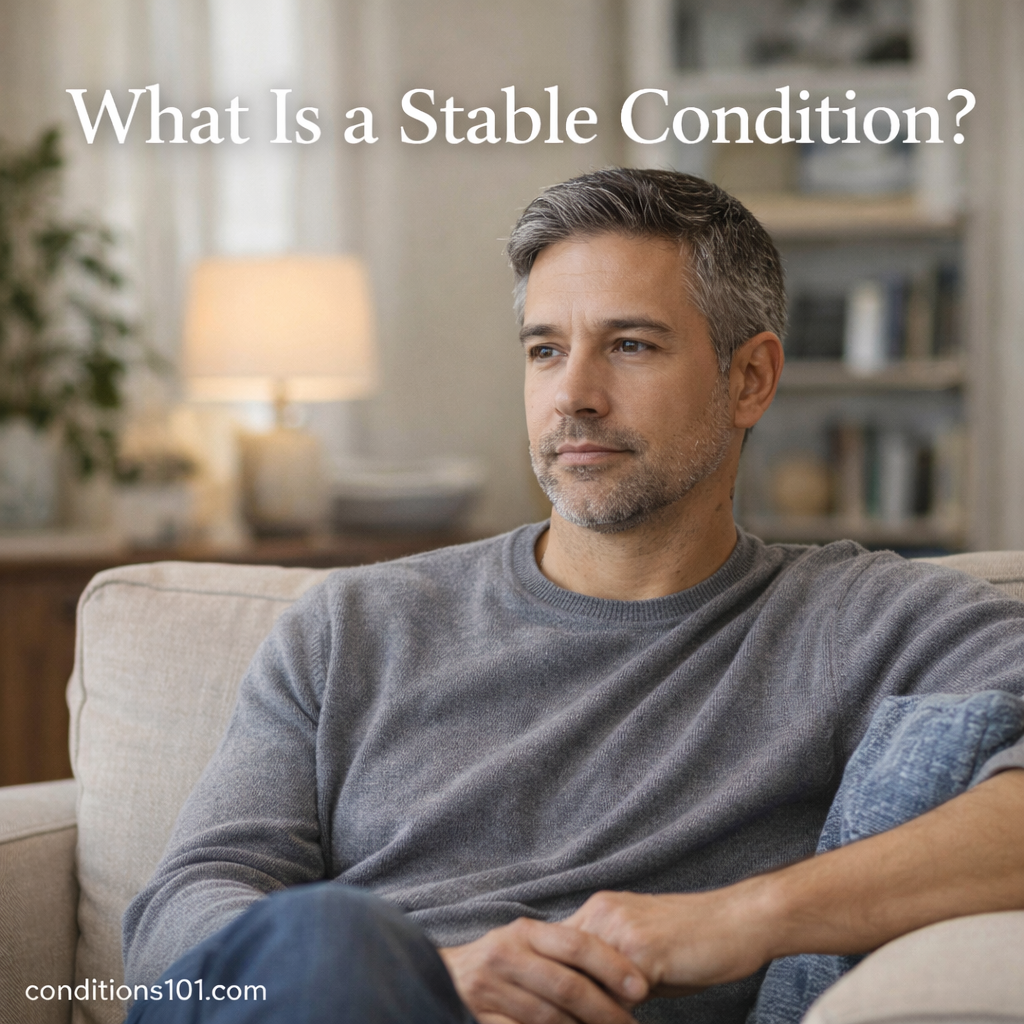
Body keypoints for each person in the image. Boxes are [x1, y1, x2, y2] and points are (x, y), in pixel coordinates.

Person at [123, 169, 1024, 1024]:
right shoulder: (352, 626)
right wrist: (429, 979)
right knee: (325, 937)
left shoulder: (857, 621)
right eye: (546, 351)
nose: (575, 397)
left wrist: (739, 919)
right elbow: (183, 914)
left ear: (750, 378)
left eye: (631, 345)